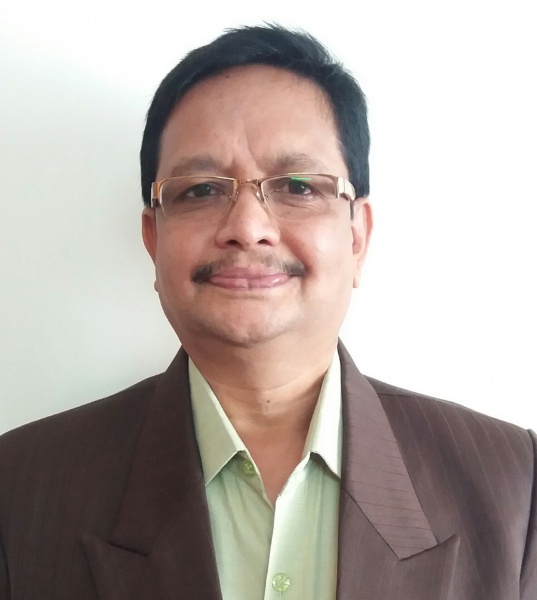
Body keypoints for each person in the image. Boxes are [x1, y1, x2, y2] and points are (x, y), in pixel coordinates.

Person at [0, 24, 535, 600]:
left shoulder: (515, 485)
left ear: (357, 236)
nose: (248, 228)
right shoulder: (21, 489)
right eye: (201, 190)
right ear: (154, 241)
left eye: (297, 186)